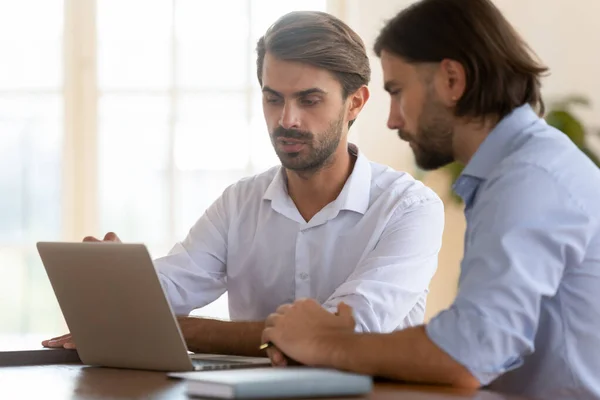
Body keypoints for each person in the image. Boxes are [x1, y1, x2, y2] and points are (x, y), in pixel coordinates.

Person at [43, 11, 444, 359]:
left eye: (309, 100)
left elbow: (343, 330)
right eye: (273, 99)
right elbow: (173, 285)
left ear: (355, 102)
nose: (287, 119)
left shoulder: (409, 208)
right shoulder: (240, 202)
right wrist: (122, 285)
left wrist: (183, 330)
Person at [261, 1, 600, 399]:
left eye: (398, 92)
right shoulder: (521, 168)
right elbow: (477, 340)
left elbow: (467, 354)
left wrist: (321, 343)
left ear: (452, 80)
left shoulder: (527, 179)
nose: (392, 120)